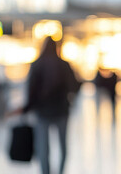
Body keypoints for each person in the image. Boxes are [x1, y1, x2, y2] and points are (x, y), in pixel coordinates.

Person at [8, 37, 80, 174]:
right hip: (62, 111)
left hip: (42, 112)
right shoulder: (64, 65)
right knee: (63, 146)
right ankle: (61, 171)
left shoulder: (37, 64)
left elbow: (31, 91)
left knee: (43, 148)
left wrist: (26, 108)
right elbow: (74, 86)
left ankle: (45, 172)